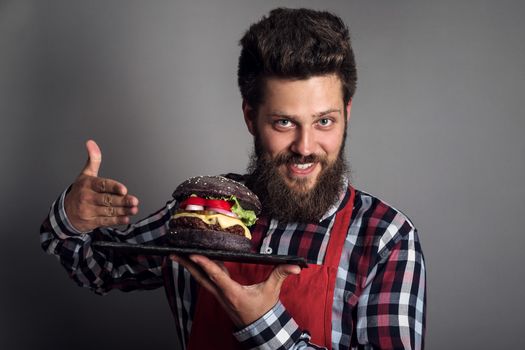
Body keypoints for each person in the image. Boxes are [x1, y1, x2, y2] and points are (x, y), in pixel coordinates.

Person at [40, 7, 426, 350]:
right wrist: (72, 217)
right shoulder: (203, 212)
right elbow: (99, 268)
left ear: (347, 112)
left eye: (324, 121)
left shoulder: (385, 237)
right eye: (284, 122)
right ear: (250, 117)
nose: (305, 146)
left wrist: (263, 324)